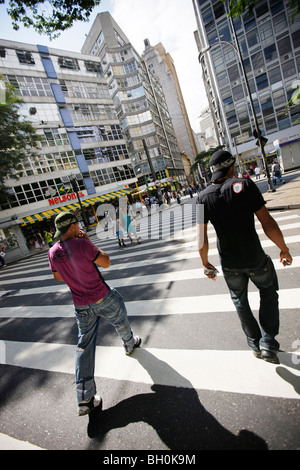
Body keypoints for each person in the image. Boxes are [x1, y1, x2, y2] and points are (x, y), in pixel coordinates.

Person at [196, 150, 292, 364]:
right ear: (230, 167)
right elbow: (268, 223)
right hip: (254, 258)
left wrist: (205, 263)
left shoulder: (202, 198)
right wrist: (283, 248)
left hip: (230, 264)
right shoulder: (245, 185)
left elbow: (201, 238)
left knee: (240, 300)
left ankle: (254, 343)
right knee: (268, 291)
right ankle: (268, 342)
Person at [48, 212, 141, 416]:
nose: (79, 226)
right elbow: (106, 262)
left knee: (84, 346)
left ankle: (85, 397)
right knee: (120, 316)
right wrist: (89, 243)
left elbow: (57, 277)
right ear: (72, 227)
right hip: (101, 296)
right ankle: (128, 343)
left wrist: (74, 270)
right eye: (77, 223)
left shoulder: (53, 251)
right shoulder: (82, 244)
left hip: (80, 305)